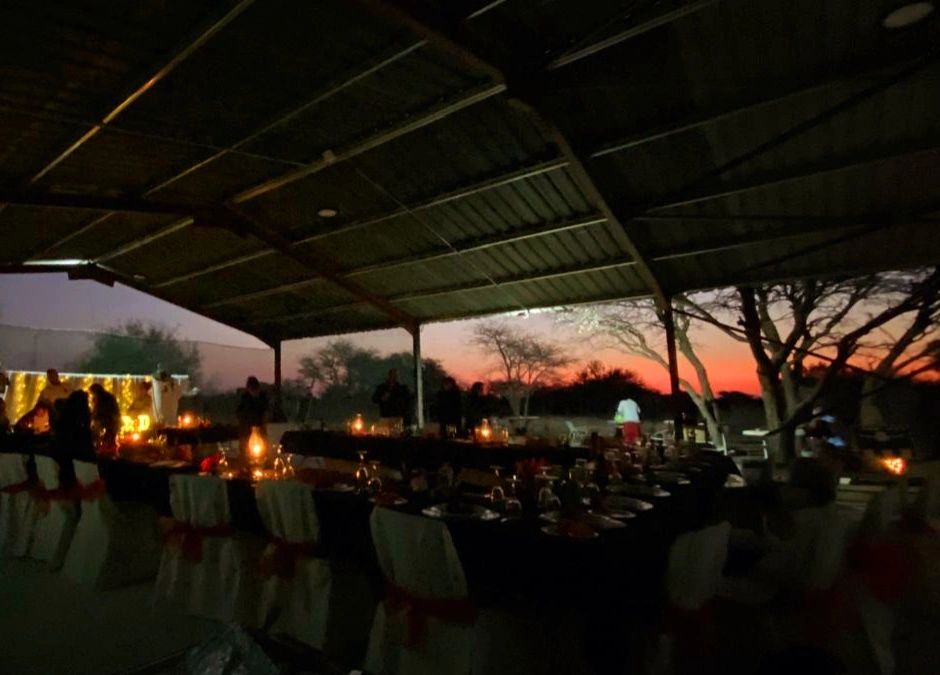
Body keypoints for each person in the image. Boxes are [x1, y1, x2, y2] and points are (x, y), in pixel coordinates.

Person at [236, 376, 269, 448]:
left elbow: (266, 412)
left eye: (255, 389)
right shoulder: (244, 399)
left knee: (263, 446)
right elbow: (239, 413)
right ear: (248, 389)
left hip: (260, 427)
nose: (254, 392)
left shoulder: (263, 397)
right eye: (252, 390)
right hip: (247, 428)